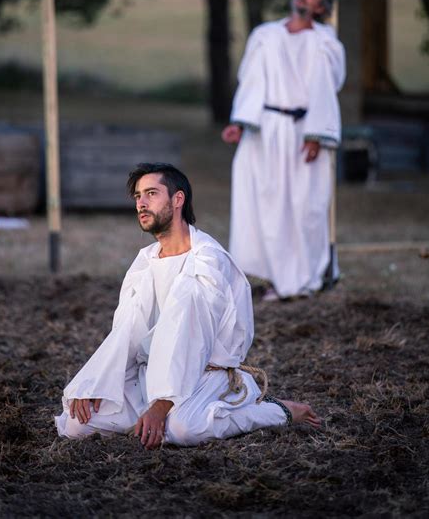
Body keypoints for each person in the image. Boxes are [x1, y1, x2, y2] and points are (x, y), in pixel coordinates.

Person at [55, 162, 320, 448]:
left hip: (204, 375)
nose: (141, 204)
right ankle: (161, 414)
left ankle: (272, 409)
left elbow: (192, 338)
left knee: (183, 430)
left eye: (151, 194)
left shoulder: (207, 260)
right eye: (137, 196)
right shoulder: (145, 261)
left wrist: (161, 406)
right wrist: (99, 382)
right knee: (76, 424)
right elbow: (126, 331)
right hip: (149, 374)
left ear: (177, 199)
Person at [222, 0, 346, 301]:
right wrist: (240, 121)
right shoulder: (265, 36)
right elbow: (250, 81)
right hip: (265, 129)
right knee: (264, 203)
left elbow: (325, 88)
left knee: (304, 206)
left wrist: (316, 134)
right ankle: (270, 277)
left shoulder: (325, 43)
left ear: (321, 6)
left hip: (304, 132)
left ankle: (302, 278)